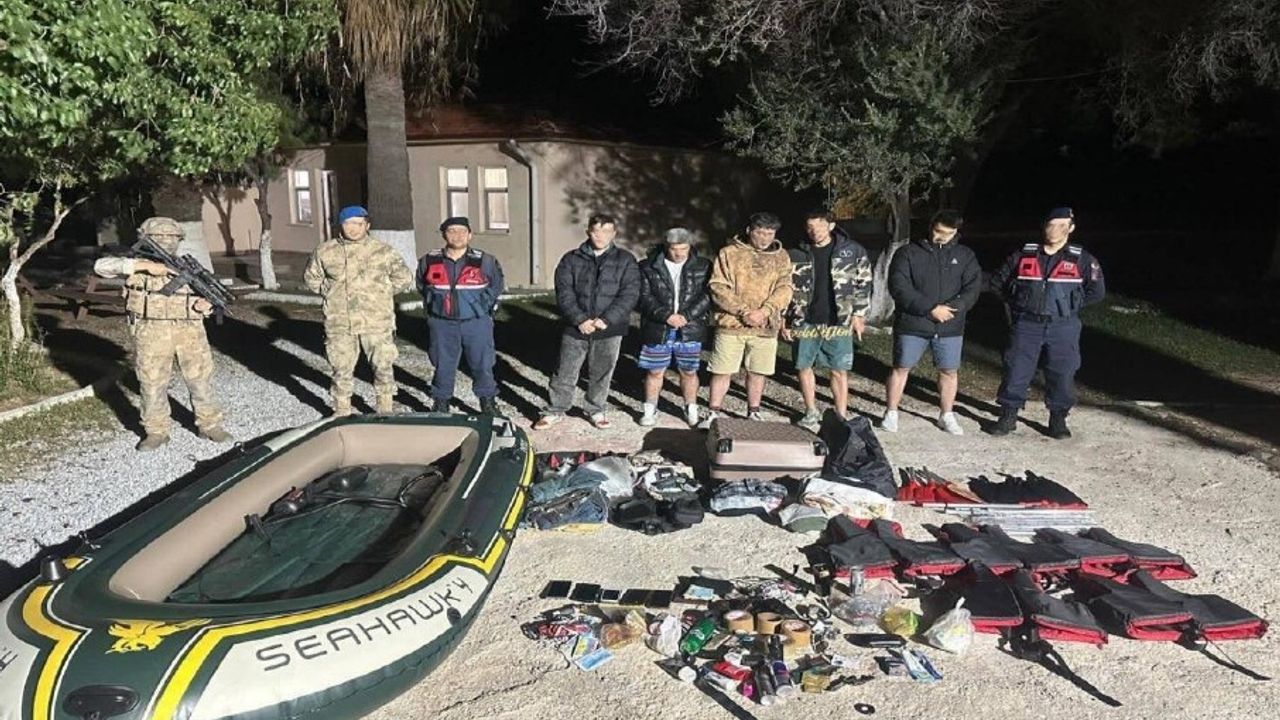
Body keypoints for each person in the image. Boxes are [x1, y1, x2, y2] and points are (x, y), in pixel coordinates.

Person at [94, 217, 233, 451]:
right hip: (152, 331)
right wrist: (143, 266)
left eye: (171, 236)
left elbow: (209, 298)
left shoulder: (189, 267)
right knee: (152, 383)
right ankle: (156, 431)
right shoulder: (135, 264)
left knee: (200, 380)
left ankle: (210, 425)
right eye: (159, 236)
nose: (166, 241)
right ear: (146, 238)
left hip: (189, 330)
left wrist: (206, 306)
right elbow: (101, 266)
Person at [989, 207, 1105, 439]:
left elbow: (1097, 292)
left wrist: (1068, 306)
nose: (1055, 230)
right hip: (1026, 324)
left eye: (1062, 226)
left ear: (1071, 228)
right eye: (1051, 225)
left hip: (1063, 326)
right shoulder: (1024, 255)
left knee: (1062, 371)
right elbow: (998, 283)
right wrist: (1017, 306)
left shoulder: (1082, 259)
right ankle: (1008, 415)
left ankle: (1058, 418)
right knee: (1016, 369)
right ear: (1044, 226)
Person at [303, 205, 413, 416]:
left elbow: (403, 277)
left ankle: (385, 407)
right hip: (340, 321)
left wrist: (379, 293)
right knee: (340, 367)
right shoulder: (325, 251)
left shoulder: (383, 251)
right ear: (340, 225)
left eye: (358, 224)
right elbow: (312, 277)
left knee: (382, 365)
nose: (353, 228)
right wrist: (329, 291)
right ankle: (341, 408)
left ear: (367, 225)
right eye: (348, 223)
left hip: (376, 320)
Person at [534, 213, 640, 429]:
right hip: (576, 327)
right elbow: (564, 292)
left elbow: (630, 293)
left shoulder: (625, 260)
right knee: (565, 370)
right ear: (588, 232)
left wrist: (607, 319)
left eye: (606, 231)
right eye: (596, 231)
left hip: (609, 327)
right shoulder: (571, 259)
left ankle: (596, 409)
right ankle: (555, 409)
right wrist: (579, 319)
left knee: (602, 372)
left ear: (614, 234)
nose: (600, 236)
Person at [882, 209, 982, 435]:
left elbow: (972, 287)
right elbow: (899, 286)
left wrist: (953, 308)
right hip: (913, 323)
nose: (941, 237)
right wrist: (929, 309)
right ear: (931, 226)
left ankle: (946, 414)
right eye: (938, 231)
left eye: (947, 233)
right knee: (901, 367)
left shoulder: (965, 255)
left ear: (956, 232)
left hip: (950, 325)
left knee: (949, 371)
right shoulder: (908, 253)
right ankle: (891, 412)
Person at [703, 212, 794, 426]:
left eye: (770, 234)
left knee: (757, 371)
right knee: (722, 370)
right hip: (731, 324)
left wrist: (765, 311)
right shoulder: (729, 253)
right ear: (749, 230)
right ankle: (713, 412)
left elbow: (785, 287)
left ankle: (753, 411)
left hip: (765, 325)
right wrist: (744, 311)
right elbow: (718, 286)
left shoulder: (781, 257)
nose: (764, 239)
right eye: (760, 233)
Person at [784, 209, 872, 428]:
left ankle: (841, 415)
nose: (815, 231)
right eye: (810, 227)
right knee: (803, 366)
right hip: (804, 319)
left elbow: (864, 283)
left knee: (839, 369)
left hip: (838, 319)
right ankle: (811, 410)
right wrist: (784, 319)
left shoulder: (852, 251)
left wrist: (859, 314)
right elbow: (784, 287)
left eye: (820, 226)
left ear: (831, 226)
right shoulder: (795, 253)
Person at [415, 216, 505, 414]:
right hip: (442, 323)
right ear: (444, 235)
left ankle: (488, 403)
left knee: (482, 363)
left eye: (462, 231)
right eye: (452, 231)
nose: (457, 235)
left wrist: (480, 307)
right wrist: (435, 305)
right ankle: (441, 402)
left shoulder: (485, 260)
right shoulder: (429, 260)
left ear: (470, 235)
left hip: (476, 322)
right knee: (443, 364)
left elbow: (496, 285)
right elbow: (422, 285)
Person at [635, 227, 712, 427]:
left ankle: (691, 408)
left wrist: (687, 316)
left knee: (689, 370)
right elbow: (643, 297)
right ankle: (650, 409)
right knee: (655, 370)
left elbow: (708, 295)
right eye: (674, 249)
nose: (679, 254)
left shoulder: (703, 266)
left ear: (690, 246)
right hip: (658, 326)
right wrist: (666, 316)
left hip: (690, 327)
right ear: (665, 246)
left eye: (683, 249)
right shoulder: (647, 266)